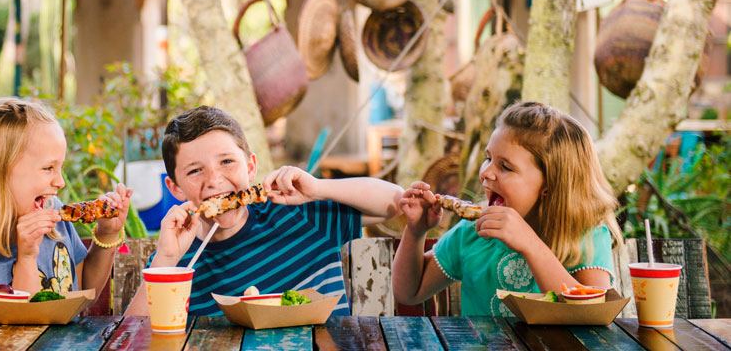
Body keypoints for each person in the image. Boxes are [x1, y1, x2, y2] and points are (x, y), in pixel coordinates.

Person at [124, 106, 404, 316]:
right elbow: (131, 338)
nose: (214, 180)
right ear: (176, 189)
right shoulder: (175, 265)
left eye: (226, 162)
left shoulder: (298, 214)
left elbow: (395, 202)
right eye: (195, 171)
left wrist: (319, 188)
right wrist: (166, 259)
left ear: (250, 167)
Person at [392, 101, 622, 316]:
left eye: (505, 167)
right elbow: (409, 292)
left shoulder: (584, 236)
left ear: (550, 186)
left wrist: (530, 245)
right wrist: (415, 232)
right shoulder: (474, 232)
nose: (486, 172)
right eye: (488, 158)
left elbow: (593, 314)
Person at [0, 98, 133, 315]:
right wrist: (26, 258)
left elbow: (84, 290)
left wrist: (107, 234)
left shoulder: (56, 226)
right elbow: (20, 334)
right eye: (48, 168)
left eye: (60, 167)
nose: (60, 182)